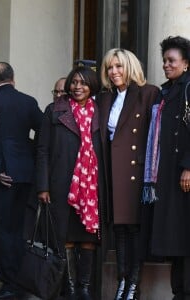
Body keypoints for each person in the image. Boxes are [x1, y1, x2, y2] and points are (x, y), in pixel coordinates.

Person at [36, 65, 104, 300]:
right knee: (63, 236)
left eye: (83, 83)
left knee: (88, 238)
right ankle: (70, 287)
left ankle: (84, 288)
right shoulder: (54, 110)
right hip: (61, 184)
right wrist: (43, 186)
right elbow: (42, 150)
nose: (77, 87)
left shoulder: (100, 111)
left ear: (92, 86)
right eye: (74, 82)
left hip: (92, 187)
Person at [98, 48, 159, 300]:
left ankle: (133, 284)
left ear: (130, 67)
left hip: (136, 173)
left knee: (134, 229)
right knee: (119, 229)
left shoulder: (149, 93)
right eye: (110, 68)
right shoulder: (104, 98)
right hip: (112, 169)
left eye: (119, 66)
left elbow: (155, 137)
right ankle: (122, 282)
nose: (114, 72)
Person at [0, 62, 43, 299]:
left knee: (2, 229)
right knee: (19, 228)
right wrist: (30, 153)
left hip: (3, 175)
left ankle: (10, 283)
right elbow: (44, 128)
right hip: (25, 173)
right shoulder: (28, 101)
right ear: (12, 78)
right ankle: (20, 279)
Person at [142, 36, 190, 300]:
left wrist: (188, 166)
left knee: (185, 236)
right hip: (168, 175)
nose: (166, 65)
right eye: (164, 61)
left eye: (171, 61)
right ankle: (178, 292)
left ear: (186, 64)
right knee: (175, 236)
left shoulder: (188, 88)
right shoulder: (166, 91)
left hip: (184, 175)